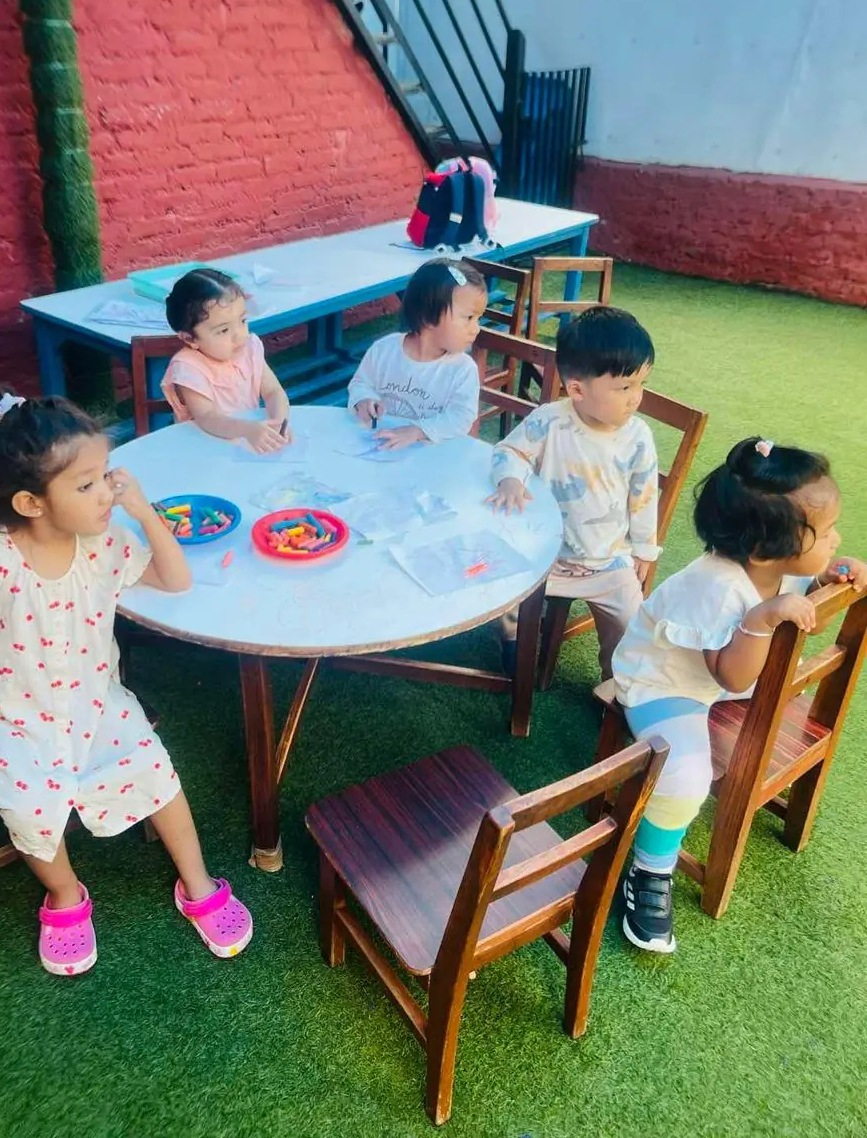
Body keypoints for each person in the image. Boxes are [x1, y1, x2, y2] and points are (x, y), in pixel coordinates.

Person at [0, 380, 253, 975]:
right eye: (88, 483)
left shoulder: (103, 542)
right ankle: (66, 895)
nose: (107, 493)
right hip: (8, 718)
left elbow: (175, 580)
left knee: (158, 772)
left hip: (95, 703)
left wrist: (143, 511)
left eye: (107, 474)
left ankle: (196, 883)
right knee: (31, 806)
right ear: (31, 503)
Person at [612, 437, 867, 954]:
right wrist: (760, 619)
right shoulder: (718, 587)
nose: (837, 536)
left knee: (701, 755)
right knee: (687, 773)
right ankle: (648, 870)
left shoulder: (779, 569)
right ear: (765, 549)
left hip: (723, 685)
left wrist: (825, 574)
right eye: (825, 533)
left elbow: (789, 614)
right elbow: (731, 675)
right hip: (664, 683)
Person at [488, 306, 658, 677]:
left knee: (632, 626)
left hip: (609, 562)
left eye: (641, 383)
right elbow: (509, 450)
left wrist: (645, 547)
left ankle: (618, 683)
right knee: (508, 597)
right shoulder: (550, 420)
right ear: (577, 389)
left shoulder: (638, 437)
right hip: (543, 558)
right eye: (624, 387)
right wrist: (511, 479)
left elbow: (644, 495)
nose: (636, 397)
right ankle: (514, 641)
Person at [348, 259, 486, 450]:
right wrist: (363, 399)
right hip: (381, 450)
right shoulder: (384, 351)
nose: (476, 329)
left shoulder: (462, 370)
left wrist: (416, 431)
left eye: (479, 318)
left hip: (431, 461)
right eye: (469, 318)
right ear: (429, 317)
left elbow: (460, 418)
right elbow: (360, 383)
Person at [161, 268, 291, 454]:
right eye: (223, 330)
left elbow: (273, 391)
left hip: (244, 446)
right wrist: (247, 430)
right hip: (202, 450)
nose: (239, 336)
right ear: (190, 338)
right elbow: (207, 417)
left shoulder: (249, 348)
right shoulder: (187, 366)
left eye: (243, 320)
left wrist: (280, 422)